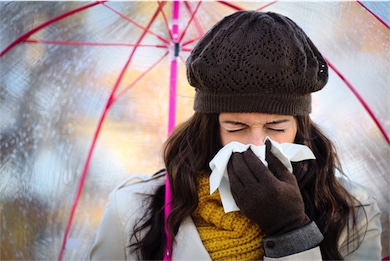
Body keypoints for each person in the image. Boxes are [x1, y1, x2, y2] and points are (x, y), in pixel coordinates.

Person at [89, 10, 382, 260]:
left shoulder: (352, 211)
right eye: (236, 128)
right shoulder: (133, 209)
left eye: (276, 128)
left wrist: (291, 231)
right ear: (210, 129)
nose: (256, 144)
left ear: (300, 128)